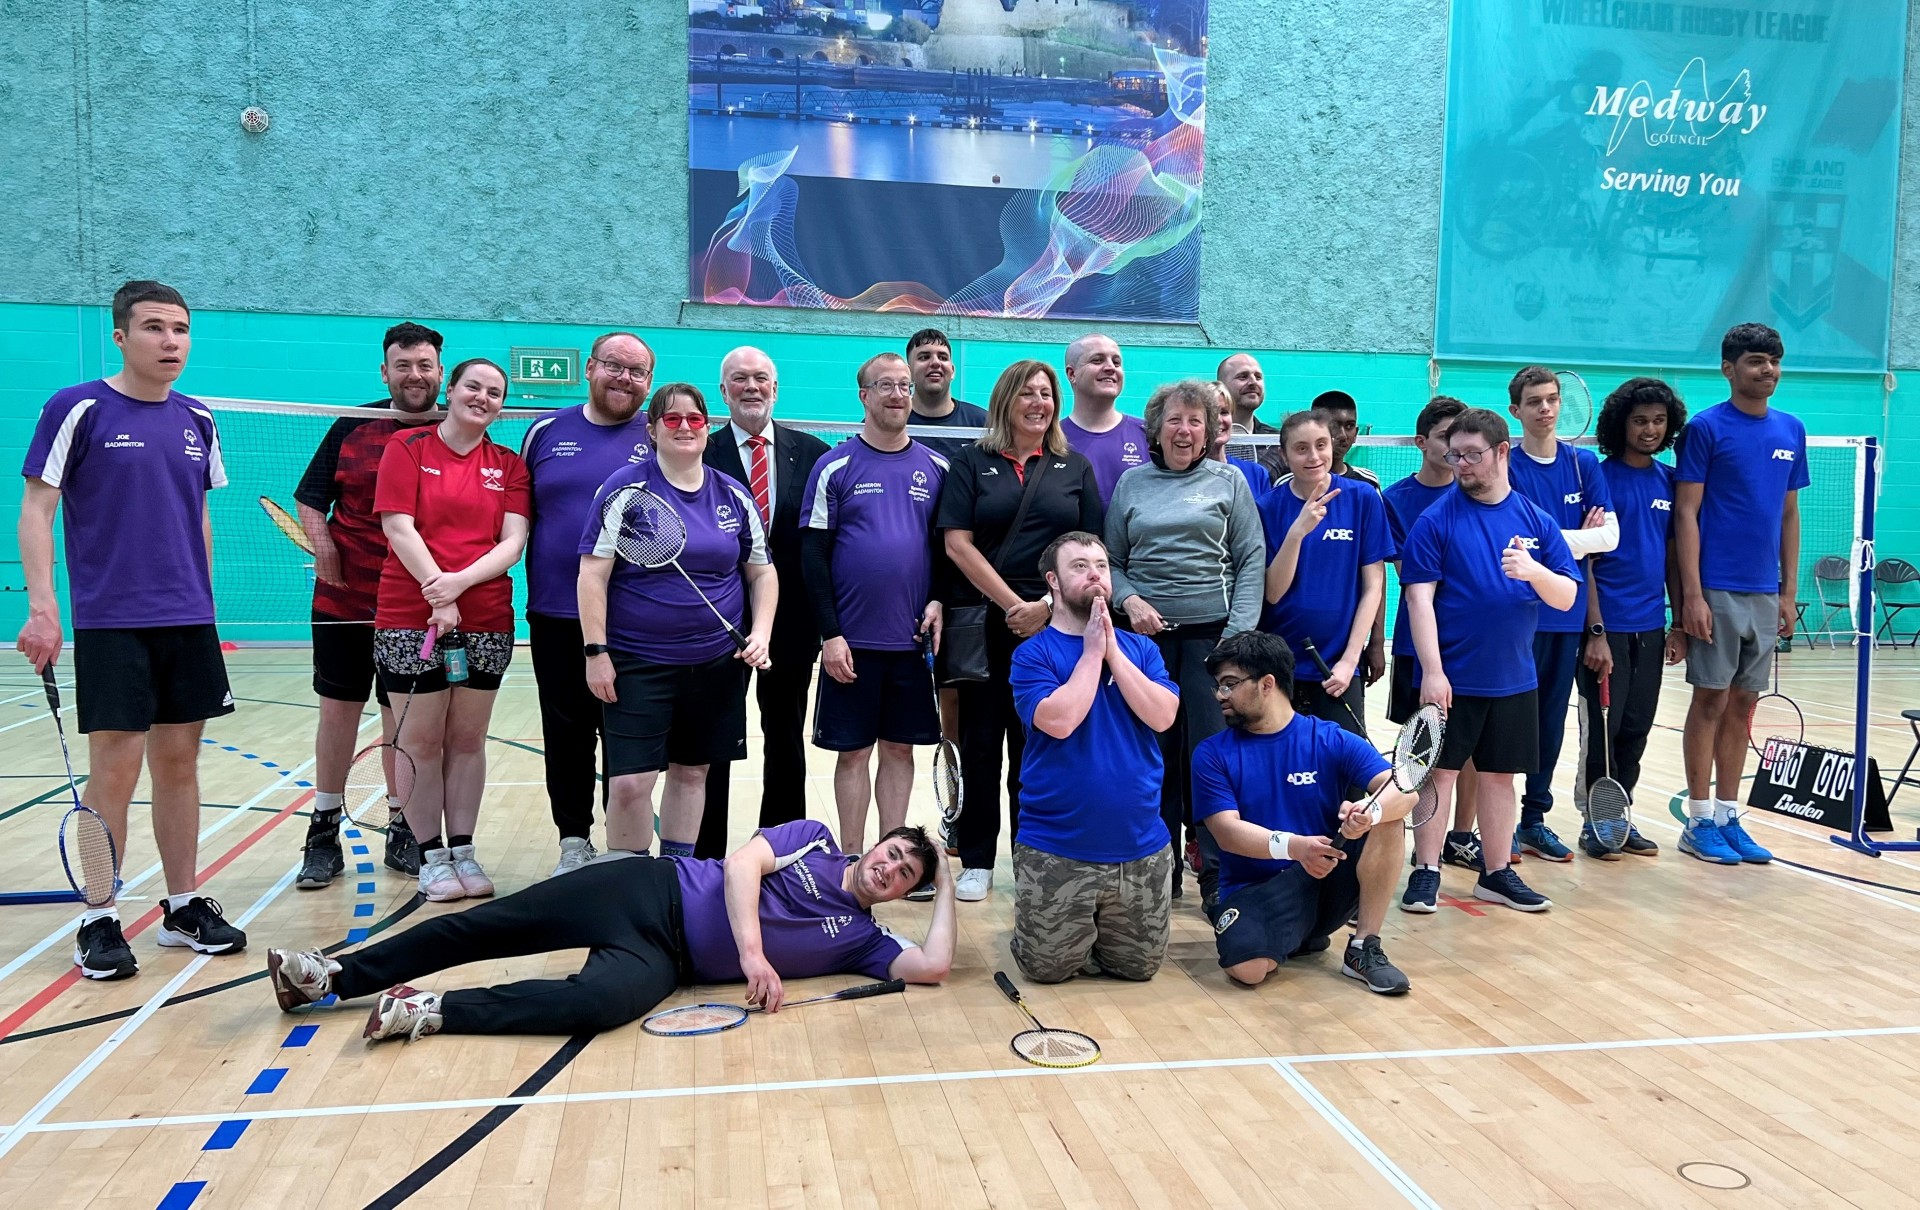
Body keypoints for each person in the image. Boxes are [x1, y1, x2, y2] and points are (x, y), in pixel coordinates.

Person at [17, 280, 245, 980]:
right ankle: (98, 916)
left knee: (180, 764)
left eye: (180, 329)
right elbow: (37, 509)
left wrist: (204, 600)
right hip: (112, 620)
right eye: (154, 328)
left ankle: (183, 906)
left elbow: (199, 515)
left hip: (188, 619)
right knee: (114, 770)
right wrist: (43, 607)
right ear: (121, 336)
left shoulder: (198, 417)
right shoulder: (78, 407)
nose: (170, 341)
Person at [265, 820, 955, 1041]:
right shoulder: (816, 840)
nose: (889, 868)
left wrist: (947, 883)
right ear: (874, 844)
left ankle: (428, 1009)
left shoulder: (866, 940)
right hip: (647, 889)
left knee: (597, 1006)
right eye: (892, 852)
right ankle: (333, 976)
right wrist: (753, 954)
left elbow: (932, 967)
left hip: (666, 959)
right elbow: (744, 865)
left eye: (905, 874)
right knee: (489, 926)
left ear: (905, 893)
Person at [579, 383, 777, 860]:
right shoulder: (625, 490)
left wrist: (761, 633)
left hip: (716, 663)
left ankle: (676, 876)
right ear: (652, 430)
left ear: (707, 428)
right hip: (638, 661)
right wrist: (596, 652)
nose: (684, 427)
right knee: (630, 783)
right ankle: (628, 880)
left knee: (692, 773)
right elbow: (592, 575)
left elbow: (762, 572)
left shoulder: (733, 494)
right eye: (672, 419)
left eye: (694, 419)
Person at [1400, 408, 1579, 913]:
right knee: (1438, 774)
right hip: (1452, 678)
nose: (1461, 464)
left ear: (1502, 452)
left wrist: (1534, 571)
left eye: (1472, 455)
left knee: (1501, 776)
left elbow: (1566, 596)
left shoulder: (1536, 521)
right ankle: (1426, 870)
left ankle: (1496, 873)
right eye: (1455, 455)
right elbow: (1418, 599)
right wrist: (1433, 672)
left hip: (1514, 677)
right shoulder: (1436, 520)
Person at [937, 360, 1103, 902]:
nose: (1039, 403)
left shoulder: (1075, 466)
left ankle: (1034, 857)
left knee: (1042, 745)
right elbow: (957, 544)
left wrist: (1047, 606)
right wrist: (1016, 606)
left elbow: (1090, 551)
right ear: (1006, 401)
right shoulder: (971, 462)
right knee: (982, 744)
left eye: (1046, 394)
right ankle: (978, 860)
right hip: (989, 622)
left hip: (1058, 625)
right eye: (1027, 393)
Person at [374, 358, 530, 902]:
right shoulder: (407, 448)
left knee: (467, 741)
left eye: (494, 392)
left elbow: (513, 542)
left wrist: (457, 586)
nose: (482, 397)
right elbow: (398, 525)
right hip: (408, 615)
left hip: (485, 618)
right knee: (419, 741)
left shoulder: (508, 465)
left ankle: (463, 851)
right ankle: (431, 858)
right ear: (452, 390)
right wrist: (437, 593)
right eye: (473, 386)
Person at [292, 321, 443, 887]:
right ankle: (323, 831)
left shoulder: (454, 429)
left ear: (440, 372)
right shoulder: (353, 425)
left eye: (424, 365)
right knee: (338, 713)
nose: (414, 375)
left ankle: (402, 827)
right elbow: (310, 499)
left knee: (399, 720)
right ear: (385, 372)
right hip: (345, 601)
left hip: (414, 607)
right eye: (403, 366)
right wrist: (324, 545)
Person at [1104, 380, 1264, 904]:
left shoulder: (1229, 481)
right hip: (1144, 645)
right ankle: (1159, 871)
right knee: (1153, 758)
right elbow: (1113, 562)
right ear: (1156, 428)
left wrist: (1234, 640)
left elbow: (1251, 559)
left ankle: (1216, 874)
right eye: (1175, 419)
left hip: (1212, 645)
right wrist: (1130, 601)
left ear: (1210, 430)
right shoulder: (1131, 484)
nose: (1185, 430)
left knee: (1209, 759)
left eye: (1196, 421)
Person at [1193, 631, 1412, 996]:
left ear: (1267, 684)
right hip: (1261, 888)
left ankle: (1364, 946)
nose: (1220, 695)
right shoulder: (1212, 753)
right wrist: (1295, 847)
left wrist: (1368, 811)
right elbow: (1227, 832)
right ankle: (1294, 934)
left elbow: (1403, 788)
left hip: (1330, 874)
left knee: (1388, 816)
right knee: (1247, 970)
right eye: (1219, 686)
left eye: (1230, 684)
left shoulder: (1329, 738)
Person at [1008, 533, 1179, 982]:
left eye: (1101, 566)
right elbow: (1060, 721)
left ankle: (1092, 936)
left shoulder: (1142, 650)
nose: (1095, 575)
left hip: (1140, 850)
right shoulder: (1033, 653)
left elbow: (1163, 716)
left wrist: (1113, 652)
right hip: (1056, 848)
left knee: (1138, 971)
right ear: (1054, 581)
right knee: (1046, 971)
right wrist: (1090, 654)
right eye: (1080, 566)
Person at [519, 332, 656, 875]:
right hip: (556, 615)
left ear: (649, 382)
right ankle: (573, 843)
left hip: (636, 621)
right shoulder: (545, 432)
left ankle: (623, 851)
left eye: (637, 372)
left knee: (627, 739)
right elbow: (517, 517)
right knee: (566, 734)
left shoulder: (657, 435)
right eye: (614, 366)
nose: (624, 378)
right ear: (590, 369)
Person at [801, 353, 948, 852]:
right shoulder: (834, 466)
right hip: (852, 644)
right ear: (864, 396)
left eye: (904, 386)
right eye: (885, 385)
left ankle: (890, 853)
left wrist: (938, 599)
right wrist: (830, 633)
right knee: (853, 754)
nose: (897, 394)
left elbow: (947, 548)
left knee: (900, 751)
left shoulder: (936, 467)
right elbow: (813, 556)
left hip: (911, 643)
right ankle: (849, 858)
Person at [1674, 323, 1806, 865]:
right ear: (1729, 369)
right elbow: (1686, 513)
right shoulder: (1705, 429)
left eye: (1774, 360)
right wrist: (1692, 596)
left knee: (1744, 703)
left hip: (1764, 592)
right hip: (1716, 588)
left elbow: (1789, 514)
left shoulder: (1792, 429)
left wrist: (1788, 591)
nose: (1767, 370)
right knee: (1710, 699)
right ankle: (1698, 820)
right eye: (1755, 361)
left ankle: (1729, 816)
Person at [697, 348, 831, 859]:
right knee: (714, 738)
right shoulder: (702, 452)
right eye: (739, 379)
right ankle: (706, 855)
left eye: (760, 379)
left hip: (792, 621)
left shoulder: (814, 453)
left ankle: (781, 847)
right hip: (718, 619)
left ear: (775, 388)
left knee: (785, 734)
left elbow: (824, 543)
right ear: (723, 391)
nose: (751, 387)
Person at [1504, 367, 1617, 863]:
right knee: (1510, 721)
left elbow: (1609, 536)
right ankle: (1496, 824)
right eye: (1535, 401)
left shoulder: (1582, 464)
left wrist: (1547, 544)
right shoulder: (1507, 464)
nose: (1546, 409)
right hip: (1517, 617)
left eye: (1552, 399)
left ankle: (1533, 820)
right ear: (1516, 411)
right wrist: (1575, 539)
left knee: (1551, 725)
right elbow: (1510, 541)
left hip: (1566, 617)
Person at [1574, 378, 1685, 860]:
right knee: (1604, 729)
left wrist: (1678, 623)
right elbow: (1586, 562)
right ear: (1621, 424)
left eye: (1659, 421)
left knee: (1637, 728)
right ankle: (1594, 822)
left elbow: (1673, 558)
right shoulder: (1599, 480)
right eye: (1640, 421)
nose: (1650, 430)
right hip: (1606, 629)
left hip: (1651, 627)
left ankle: (1619, 816)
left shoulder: (1669, 481)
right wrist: (1596, 631)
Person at [1382, 397, 1482, 876]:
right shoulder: (1396, 500)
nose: (1455, 448)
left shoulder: (1481, 495)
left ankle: (1461, 837)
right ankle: (1424, 848)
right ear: (1422, 442)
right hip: (1417, 647)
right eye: (1446, 437)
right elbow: (1414, 577)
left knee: (1473, 751)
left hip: (1474, 646)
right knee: (1421, 751)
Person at [1259, 409, 1392, 737]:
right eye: (1301, 448)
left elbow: (1373, 586)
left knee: (1343, 764)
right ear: (1284, 455)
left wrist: (1350, 660)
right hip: (1279, 665)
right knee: (1286, 761)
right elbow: (1273, 593)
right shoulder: (1267, 507)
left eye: (1321, 445)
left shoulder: (1362, 499)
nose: (1314, 456)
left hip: (1338, 667)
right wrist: (1297, 533)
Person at [1059, 334, 1148, 505]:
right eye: (1097, 360)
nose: (1110, 368)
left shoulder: (1148, 435)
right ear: (1072, 373)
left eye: (1116, 362)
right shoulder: (1051, 438)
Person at [904, 328, 988, 459]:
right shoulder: (891, 422)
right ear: (907, 371)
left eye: (943, 357)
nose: (935, 363)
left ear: (952, 371)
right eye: (924, 357)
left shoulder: (983, 423)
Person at [1216, 353, 1281, 479]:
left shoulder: (1278, 442)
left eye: (1258, 377)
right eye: (1243, 376)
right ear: (1222, 386)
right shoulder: (1202, 440)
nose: (1253, 382)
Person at [1209, 382, 1272, 499]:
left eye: (1224, 412)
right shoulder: (1185, 473)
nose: (1218, 419)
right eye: (1211, 413)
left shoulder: (1257, 474)